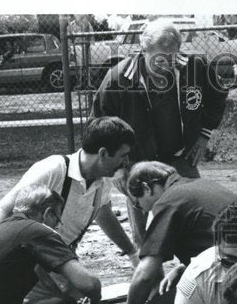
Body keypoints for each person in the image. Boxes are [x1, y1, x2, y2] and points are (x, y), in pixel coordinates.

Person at [90, 17, 228, 242]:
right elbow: (99, 123)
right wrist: (118, 167)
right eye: (158, 61)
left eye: (170, 60)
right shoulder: (118, 77)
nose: (165, 67)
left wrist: (203, 135)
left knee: (196, 213)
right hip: (136, 161)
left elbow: (217, 96)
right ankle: (145, 261)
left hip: (180, 154)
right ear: (143, 50)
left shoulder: (195, 67)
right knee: (141, 226)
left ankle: (194, 264)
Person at [108, 161, 237, 304]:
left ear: (147, 188)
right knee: (176, 290)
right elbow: (213, 238)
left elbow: (145, 274)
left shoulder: (168, 201)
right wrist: (184, 268)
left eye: (138, 204)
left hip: (236, 282)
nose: (143, 210)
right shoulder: (203, 184)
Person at [0, 116, 137, 296]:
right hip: (30, 266)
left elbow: (103, 214)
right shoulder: (54, 169)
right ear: (103, 153)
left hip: (60, 264)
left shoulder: (104, 179)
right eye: (123, 155)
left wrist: (131, 253)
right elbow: (2, 209)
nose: (127, 161)